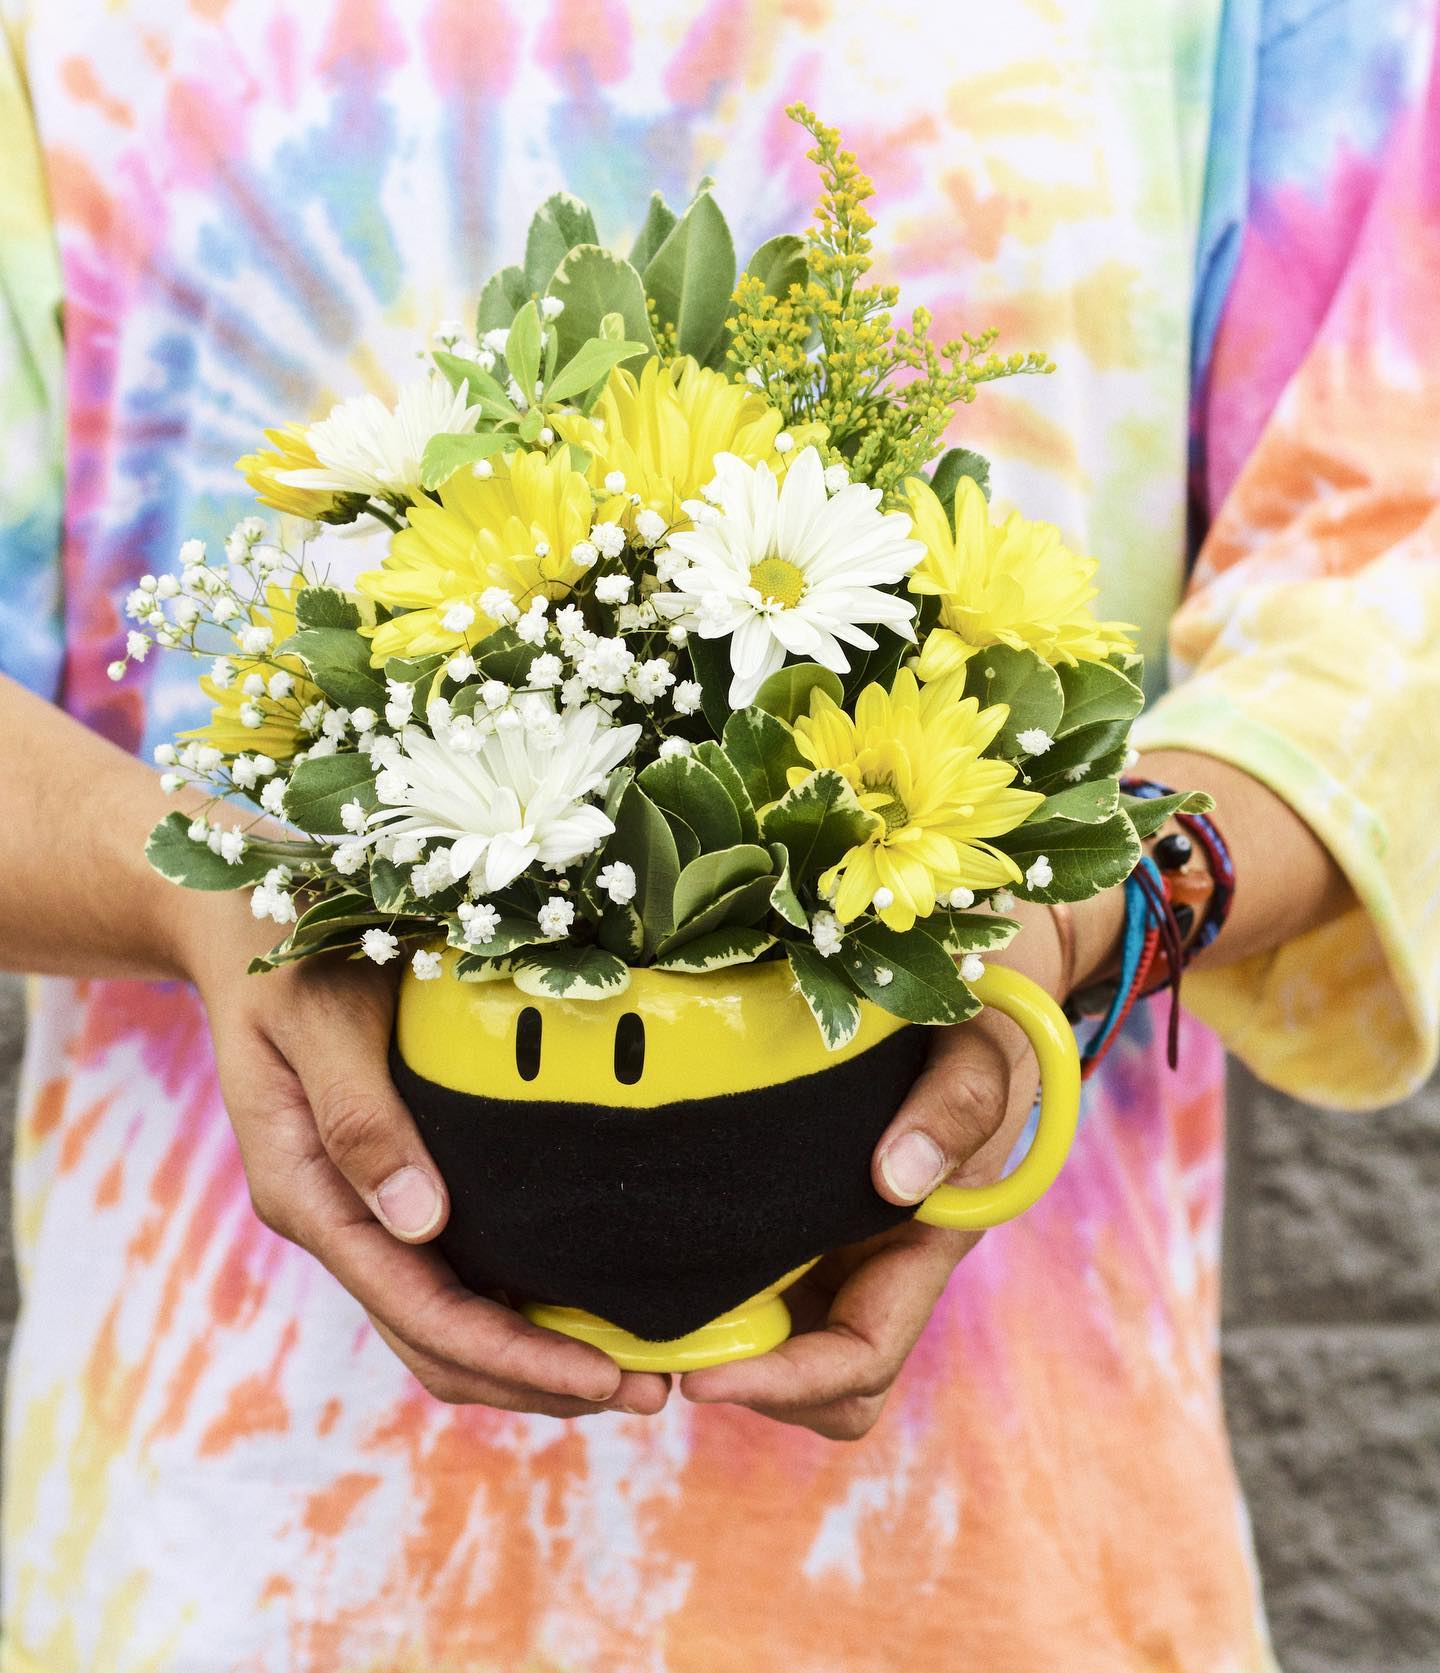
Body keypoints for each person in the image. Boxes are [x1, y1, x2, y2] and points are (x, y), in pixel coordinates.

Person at [1, 2, 1437, 1668]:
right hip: (240, 1551)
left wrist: (1099, 910)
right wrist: (210, 898)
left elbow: (1393, 561)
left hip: (1004, 1561)